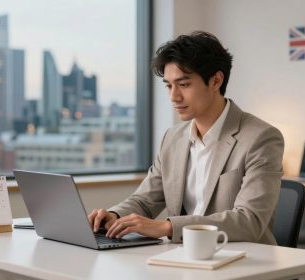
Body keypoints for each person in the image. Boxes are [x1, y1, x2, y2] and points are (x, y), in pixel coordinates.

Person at [87, 31, 284, 245]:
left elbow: (249, 221)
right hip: (183, 257)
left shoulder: (261, 138)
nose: (174, 97)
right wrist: (114, 216)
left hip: (242, 261)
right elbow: (145, 200)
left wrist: (167, 226)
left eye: (184, 84)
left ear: (216, 80)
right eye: (169, 85)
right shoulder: (173, 137)